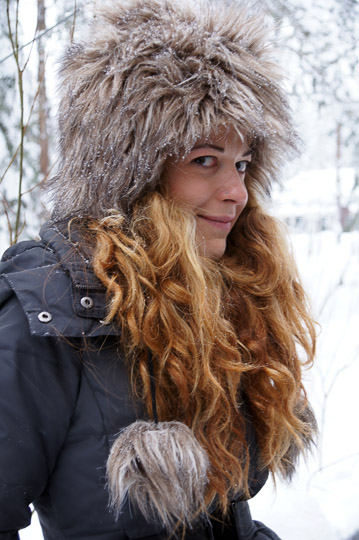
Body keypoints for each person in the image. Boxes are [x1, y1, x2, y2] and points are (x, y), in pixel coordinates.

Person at [0, 0, 317, 539]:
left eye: (242, 163)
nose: (237, 192)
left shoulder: (226, 297)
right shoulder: (49, 311)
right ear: (131, 171)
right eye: (204, 160)